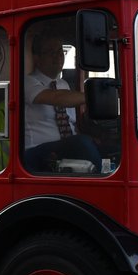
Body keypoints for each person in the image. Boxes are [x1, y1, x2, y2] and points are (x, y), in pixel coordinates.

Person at [23, 32, 104, 172]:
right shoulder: (27, 82)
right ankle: (103, 180)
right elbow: (56, 98)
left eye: (60, 51)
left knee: (102, 144)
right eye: (51, 52)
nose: (58, 56)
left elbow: (69, 123)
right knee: (82, 144)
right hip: (35, 152)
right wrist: (96, 96)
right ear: (37, 58)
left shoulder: (63, 84)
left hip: (64, 149)